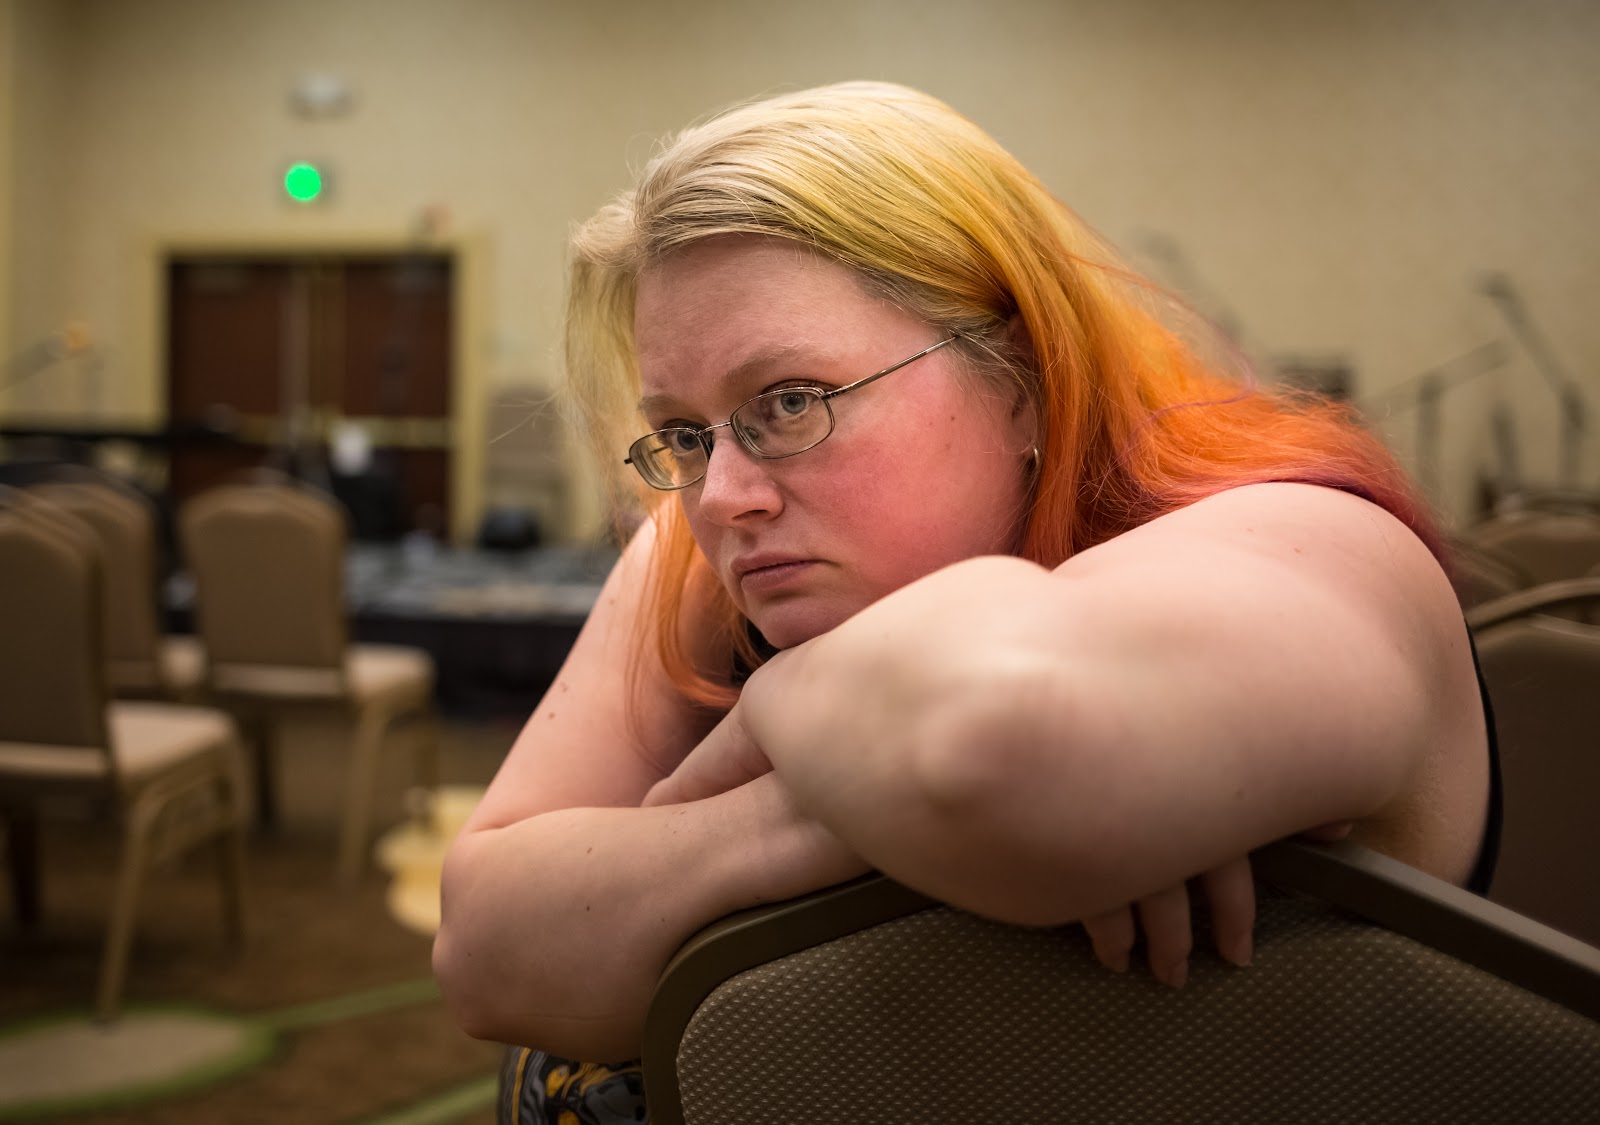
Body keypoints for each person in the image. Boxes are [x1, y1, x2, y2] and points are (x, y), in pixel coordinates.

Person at [433, 81, 1494, 1122]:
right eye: (682, 433)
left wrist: (772, 727)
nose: (721, 495)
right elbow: (481, 947)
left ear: (1019, 379)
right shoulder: (704, 547)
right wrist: (818, 803)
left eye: (790, 401)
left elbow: (1004, 739)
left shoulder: (1302, 535)